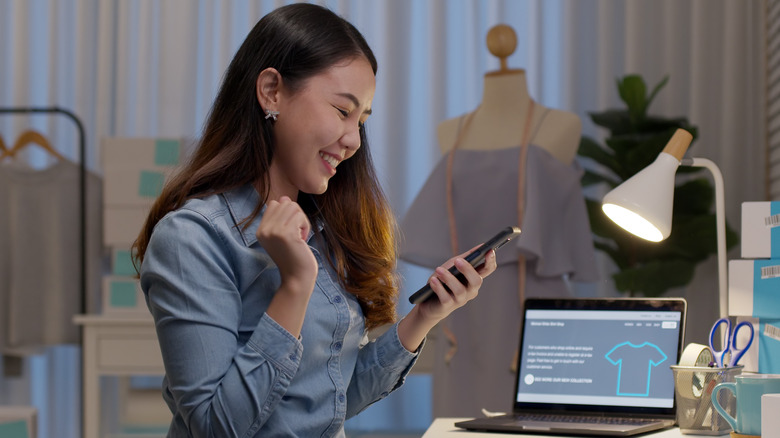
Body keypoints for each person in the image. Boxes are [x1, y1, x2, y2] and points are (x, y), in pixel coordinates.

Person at [131, 3, 496, 437]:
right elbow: (215, 428)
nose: (354, 140)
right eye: (342, 111)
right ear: (271, 91)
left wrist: (425, 316)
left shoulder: (320, 230)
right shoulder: (191, 239)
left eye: (362, 120)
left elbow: (328, 400)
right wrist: (294, 285)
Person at [400, 25, 597, 417]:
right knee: (460, 417)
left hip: (534, 301)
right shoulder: (451, 131)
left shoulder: (560, 126)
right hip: (463, 307)